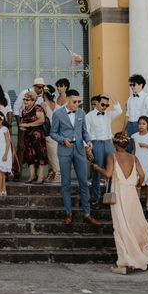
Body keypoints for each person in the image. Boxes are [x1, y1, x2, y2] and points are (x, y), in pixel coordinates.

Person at [92, 132, 148, 275]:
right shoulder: (133, 157)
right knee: (132, 224)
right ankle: (133, 256)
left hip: (119, 194)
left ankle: (125, 261)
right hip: (131, 194)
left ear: (114, 144)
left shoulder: (112, 156)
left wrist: (97, 168)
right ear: (126, 144)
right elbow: (143, 175)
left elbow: (107, 174)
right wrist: (137, 185)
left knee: (120, 226)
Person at [50, 89, 100, 227]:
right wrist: (62, 139)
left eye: (79, 102)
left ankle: (87, 213)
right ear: (67, 100)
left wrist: (88, 141)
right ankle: (68, 213)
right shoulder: (58, 114)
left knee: (84, 182)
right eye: (74, 102)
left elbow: (84, 131)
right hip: (64, 151)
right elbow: (53, 133)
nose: (77, 104)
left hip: (79, 150)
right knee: (65, 183)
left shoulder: (81, 113)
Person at [85, 94, 122, 207]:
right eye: (103, 104)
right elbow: (86, 132)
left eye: (107, 105)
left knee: (112, 170)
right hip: (96, 143)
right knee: (97, 171)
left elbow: (119, 110)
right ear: (96, 103)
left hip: (108, 143)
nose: (105, 107)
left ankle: (110, 196)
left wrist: (111, 98)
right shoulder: (89, 116)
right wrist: (88, 148)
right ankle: (96, 198)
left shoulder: (108, 114)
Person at [20, 90, 48, 183]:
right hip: (28, 136)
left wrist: (28, 125)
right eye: (24, 99)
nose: (25, 101)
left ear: (33, 101)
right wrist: (22, 126)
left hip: (38, 136)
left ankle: (40, 176)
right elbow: (23, 122)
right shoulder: (24, 110)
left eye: (27, 100)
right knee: (30, 156)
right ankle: (32, 176)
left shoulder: (37, 108)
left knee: (40, 155)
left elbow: (42, 120)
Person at [132, 116, 148, 211]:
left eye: (143, 124)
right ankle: (137, 204)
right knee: (137, 182)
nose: (141, 126)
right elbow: (134, 150)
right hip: (139, 161)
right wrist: (132, 160)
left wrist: (146, 146)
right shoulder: (134, 136)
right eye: (139, 124)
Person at [123, 74, 148, 153]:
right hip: (130, 126)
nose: (132, 87)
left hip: (141, 126)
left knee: (140, 150)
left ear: (141, 85)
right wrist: (123, 130)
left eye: (133, 84)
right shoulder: (130, 98)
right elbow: (127, 115)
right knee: (129, 149)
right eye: (130, 85)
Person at [41, 85, 61, 183]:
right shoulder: (57, 106)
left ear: (44, 94)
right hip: (57, 132)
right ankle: (51, 173)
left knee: (52, 154)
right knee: (51, 153)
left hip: (48, 132)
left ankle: (57, 173)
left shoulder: (44, 104)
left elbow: (41, 119)